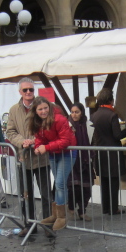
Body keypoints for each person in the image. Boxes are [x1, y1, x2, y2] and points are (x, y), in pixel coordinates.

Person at [6, 78, 52, 237]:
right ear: (20, 92)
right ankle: (29, 224)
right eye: (25, 90)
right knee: (26, 194)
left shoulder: (42, 107)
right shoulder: (13, 110)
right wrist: (22, 142)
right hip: (23, 158)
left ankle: (48, 225)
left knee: (46, 194)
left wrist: (34, 141)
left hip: (41, 158)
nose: (28, 92)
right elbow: (10, 131)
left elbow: (49, 127)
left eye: (31, 89)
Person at [29, 96, 76, 231]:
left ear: (49, 107)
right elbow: (39, 138)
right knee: (58, 183)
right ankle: (56, 214)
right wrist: (37, 146)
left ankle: (61, 216)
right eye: (40, 109)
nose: (43, 111)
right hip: (54, 153)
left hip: (67, 153)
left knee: (60, 183)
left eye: (45, 108)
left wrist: (46, 147)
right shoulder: (37, 122)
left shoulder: (59, 119)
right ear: (35, 111)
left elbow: (65, 141)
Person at [91, 89, 126, 215]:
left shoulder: (94, 115)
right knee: (113, 181)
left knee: (104, 181)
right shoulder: (112, 115)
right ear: (110, 100)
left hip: (100, 152)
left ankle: (105, 208)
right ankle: (113, 208)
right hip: (112, 153)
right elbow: (117, 135)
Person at [67, 102, 94, 221]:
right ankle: (71, 207)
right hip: (72, 159)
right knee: (74, 187)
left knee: (86, 188)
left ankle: (82, 211)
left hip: (85, 160)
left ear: (82, 112)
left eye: (77, 112)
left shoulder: (88, 125)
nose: (74, 114)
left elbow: (92, 141)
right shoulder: (67, 125)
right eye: (72, 112)